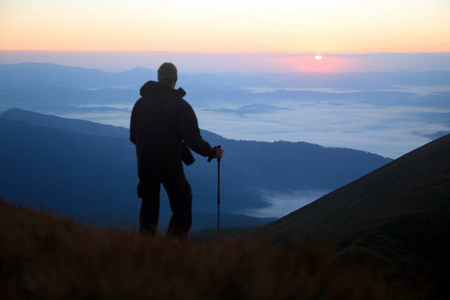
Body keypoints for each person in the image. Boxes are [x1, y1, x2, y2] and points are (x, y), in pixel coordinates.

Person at [130, 62, 223, 239]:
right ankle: (172, 250)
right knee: (182, 207)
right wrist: (212, 152)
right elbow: (194, 140)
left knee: (148, 210)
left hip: (145, 164)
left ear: (158, 78)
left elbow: (133, 136)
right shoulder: (180, 106)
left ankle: (142, 252)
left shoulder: (140, 104)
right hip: (169, 165)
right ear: (175, 80)